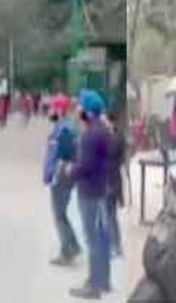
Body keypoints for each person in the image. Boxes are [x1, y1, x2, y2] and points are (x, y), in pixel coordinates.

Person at [65, 90, 111, 299]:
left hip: (90, 191)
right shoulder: (101, 129)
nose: (77, 110)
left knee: (92, 238)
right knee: (100, 236)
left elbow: (86, 165)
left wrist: (70, 171)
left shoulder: (91, 135)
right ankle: (102, 280)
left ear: (88, 112)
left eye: (81, 107)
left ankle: (93, 286)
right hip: (99, 188)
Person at [42, 94, 81, 266]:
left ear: (59, 109)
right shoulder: (63, 127)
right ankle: (74, 246)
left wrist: (55, 174)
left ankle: (67, 252)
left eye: (52, 108)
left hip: (61, 179)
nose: (50, 111)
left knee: (59, 216)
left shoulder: (64, 130)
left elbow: (67, 156)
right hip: (62, 177)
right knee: (61, 214)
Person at [104, 109, 125, 259]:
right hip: (113, 179)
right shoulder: (117, 136)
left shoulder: (113, 138)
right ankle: (114, 245)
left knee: (110, 215)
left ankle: (115, 246)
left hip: (110, 181)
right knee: (109, 214)